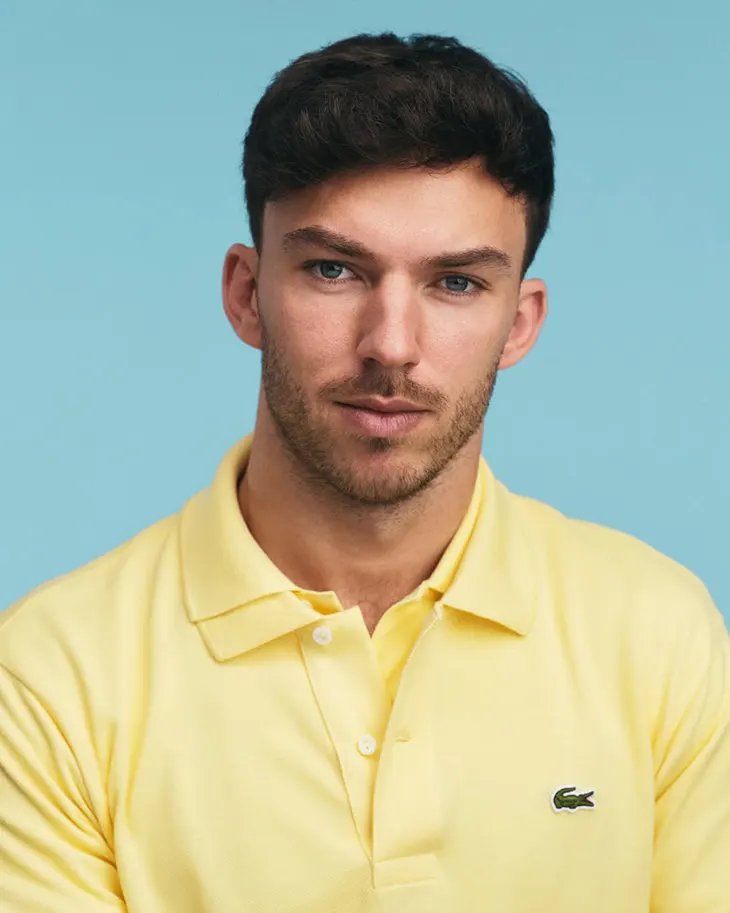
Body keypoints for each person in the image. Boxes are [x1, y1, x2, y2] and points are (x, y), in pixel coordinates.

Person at [1, 30, 728, 913]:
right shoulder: (51, 675)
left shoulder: (660, 638)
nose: (391, 344)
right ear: (246, 294)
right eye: (334, 269)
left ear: (520, 322)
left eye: (455, 283)